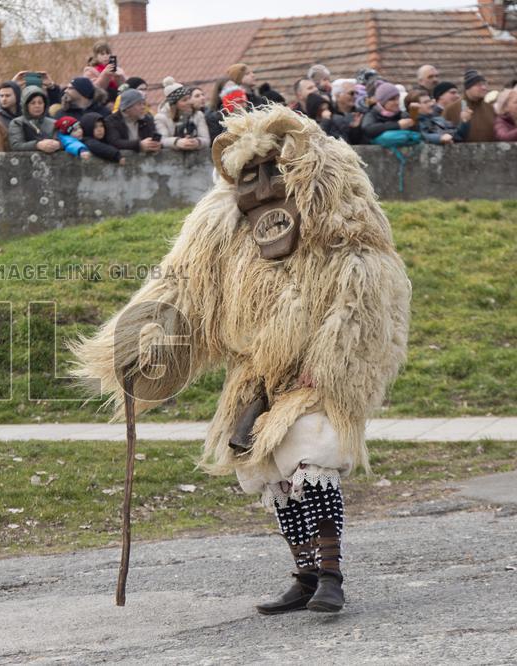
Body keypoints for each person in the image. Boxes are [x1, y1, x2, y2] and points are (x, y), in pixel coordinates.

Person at [71, 105, 411, 618]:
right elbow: (183, 284)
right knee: (274, 473)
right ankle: (304, 575)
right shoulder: (224, 228)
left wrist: (331, 363)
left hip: (317, 369)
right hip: (257, 373)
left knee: (312, 459)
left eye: (272, 169)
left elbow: (361, 300)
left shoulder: (337, 221)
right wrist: (139, 345)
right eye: (249, 174)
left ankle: (332, 576)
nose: (261, 184)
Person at [155, 78, 210, 152]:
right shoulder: (161, 118)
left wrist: (197, 142)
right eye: (184, 100)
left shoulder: (198, 114)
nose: (189, 102)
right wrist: (177, 142)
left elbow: (206, 139)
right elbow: (162, 139)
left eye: (189, 98)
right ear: (174, 104)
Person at [443, 69, 496, 142]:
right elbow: (443, 135)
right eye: (478, 85)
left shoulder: (490, 109)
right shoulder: (451, 110)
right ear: (468, 87)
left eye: (484, 84)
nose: (484, 88)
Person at [102, 88, 159, 154]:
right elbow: (115, 142)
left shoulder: (147, 119)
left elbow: (152, 136)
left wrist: (155, 144)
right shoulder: (111, 121)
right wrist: (139, 145)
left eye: (143, 104)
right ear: (127, 108)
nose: (143, 107)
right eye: (139, 104)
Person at [404, 90, 469, 144]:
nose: (431, 104)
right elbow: (418, 136)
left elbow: (459, 136)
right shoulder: (409, 124)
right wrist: (440, 138)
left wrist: (464, 121)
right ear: (415, 106)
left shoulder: (439, 120)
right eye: (425, 102)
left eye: (429, 101)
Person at [8, 86, 60, 154]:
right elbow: (16, 145)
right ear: (26, 105)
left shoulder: (54, 123)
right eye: (33, 103)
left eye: (40, 103)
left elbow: (66, 142)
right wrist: (37, 145)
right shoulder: (17, 123)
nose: (37, 106)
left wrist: (58, 145)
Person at [328, 79, 364, 144]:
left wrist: (355, 129)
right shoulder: (329, 115)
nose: (355, 96)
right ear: (338, 96)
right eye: (351, 93)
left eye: (356, 93)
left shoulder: (361, 114)